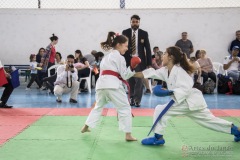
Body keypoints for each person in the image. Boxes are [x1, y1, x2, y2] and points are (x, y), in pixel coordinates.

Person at [134, 46, 240, 145]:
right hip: (184, 102)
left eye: (165, 54)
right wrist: (129, 73)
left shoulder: (180, 71)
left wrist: (168, 92)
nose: (163, 56)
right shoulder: (165, 70)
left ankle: (158, 138)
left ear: (171, 57)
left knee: (209, 121)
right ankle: (236, 131)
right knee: (210, 121)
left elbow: (186, 88)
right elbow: (147, 74)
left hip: (188, 102)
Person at [81, 32, 138, 141]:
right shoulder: (120, 58)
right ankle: (128, 135)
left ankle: (86, 126)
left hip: (101, 85)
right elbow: (124, 75)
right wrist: (132, 67)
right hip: (113, 85)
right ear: (119, 45)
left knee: (98, 107)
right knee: (125, 107)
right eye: (126, 46)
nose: (127, 49)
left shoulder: (106, 57)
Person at [122, 14, 152, 107]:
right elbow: (122, 47)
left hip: (140, 61)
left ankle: (137, 100)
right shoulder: (125, 32)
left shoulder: (144, 33)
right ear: (130, 22)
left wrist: (149, 63)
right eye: (133, 22)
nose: (135, 23)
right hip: (129, 60)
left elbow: (148, 48)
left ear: (139, 23)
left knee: (140, 80)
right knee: (130, 80)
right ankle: (131, 98)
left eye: (137, 22)